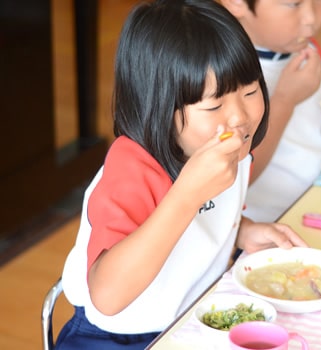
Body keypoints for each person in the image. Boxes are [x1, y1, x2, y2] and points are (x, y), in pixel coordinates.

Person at [55, 0, 307, 348]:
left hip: (190, 318)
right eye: (214, 105)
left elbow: (202, 219)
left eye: (250, 92)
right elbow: (108, 296)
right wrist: (187, 194)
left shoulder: (222, 148)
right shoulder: (132, 169)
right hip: (119, 338)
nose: (239, 117)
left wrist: (240, 233)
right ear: (159, 105)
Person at [220, 0, 321, 223]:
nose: (311, 17)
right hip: (274, 219)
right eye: (293, 4)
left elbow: (319, 110)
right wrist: (285, 99)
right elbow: (239, 174)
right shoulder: (224, 76)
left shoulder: (305, 48)